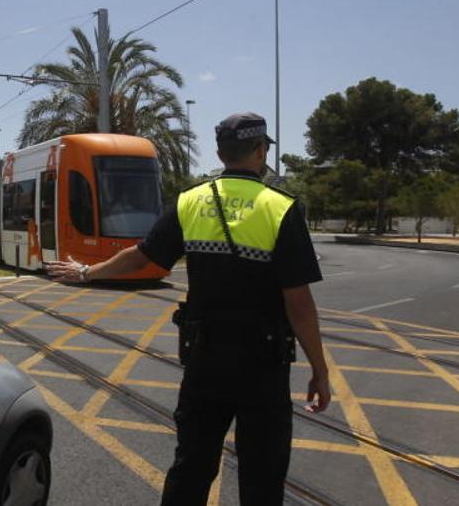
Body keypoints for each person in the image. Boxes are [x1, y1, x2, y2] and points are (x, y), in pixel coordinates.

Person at [46, 111, 331, 505]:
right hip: (261, 367)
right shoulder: (280, 208)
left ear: (219, 152)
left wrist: (86, 272)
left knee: (192, 466)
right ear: (261, 151)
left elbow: (141, 256)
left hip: (205, 360)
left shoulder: (191, 202)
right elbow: (298, 303)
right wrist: (320, 369)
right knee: (262, 475)